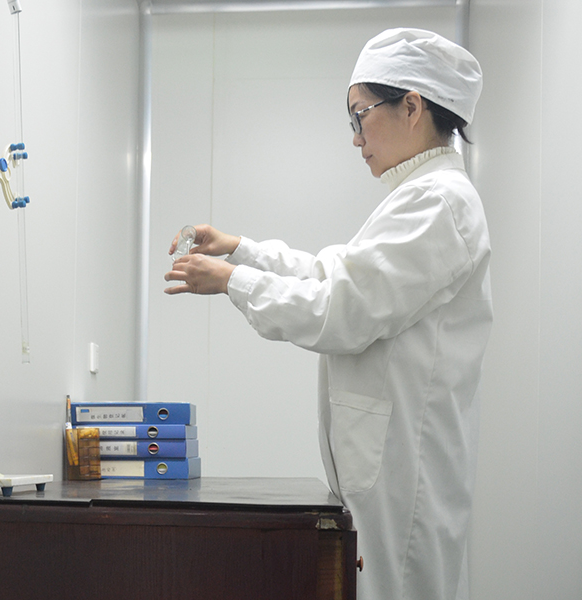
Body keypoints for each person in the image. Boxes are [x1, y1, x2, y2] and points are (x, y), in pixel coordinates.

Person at [164, 28, 492, 600]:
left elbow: (341, 311)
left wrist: (232, 280)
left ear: (411, 107)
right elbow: (332, 274)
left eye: (360, 115)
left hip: (405, 479)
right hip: (388, 473)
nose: (356, 137)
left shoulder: (438, 202)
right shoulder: (418, 196)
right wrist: (240, 250)